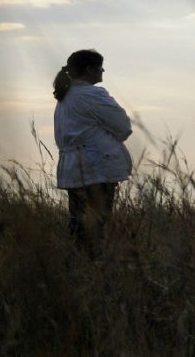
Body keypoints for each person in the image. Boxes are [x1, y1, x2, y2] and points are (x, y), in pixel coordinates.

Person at [52, 49, 132, 257]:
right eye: (100, 67)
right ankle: (92, 266)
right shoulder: (92, 94)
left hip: (73, 170)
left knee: (78, 223)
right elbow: (123, 126)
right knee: (98, 223)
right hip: (97, 168)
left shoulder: (64, 98)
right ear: (89, 69)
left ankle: (79, 265)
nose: (103, 71)